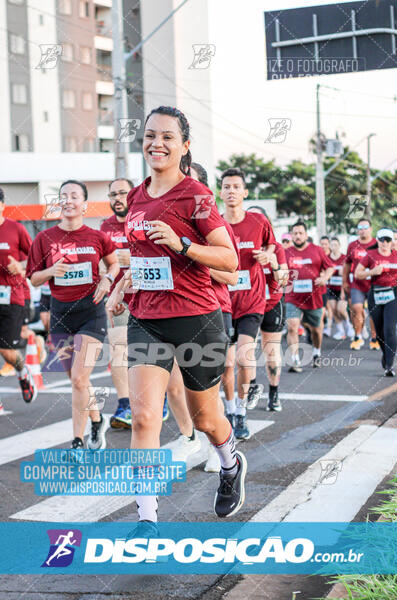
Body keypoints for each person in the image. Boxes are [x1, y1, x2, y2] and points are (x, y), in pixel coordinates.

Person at [106, 106, 246, 524]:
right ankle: (146, 521)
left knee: (205, 417)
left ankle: (229, 462)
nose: (157, 143)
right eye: (150, 135)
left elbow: (229, 260)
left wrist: (182, 243)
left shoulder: (196, 197)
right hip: (146, 317)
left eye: (168, 136)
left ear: (185, 145)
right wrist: (122, 284)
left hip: (197, 318)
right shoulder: (136, 196)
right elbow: (143, 256)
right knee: (145, 417)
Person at [27, 180, 119, 452]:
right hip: (60, 316)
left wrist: (108, 279)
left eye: (74, 196)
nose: (68, 200)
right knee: (77, 379)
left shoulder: (97, 237)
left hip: (91, 314)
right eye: (63, 196)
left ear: (84, 204)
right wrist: (50, 271)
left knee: (79, 379)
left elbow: (114, 262)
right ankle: (97, 417)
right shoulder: (44, 239)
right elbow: (33, 278)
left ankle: (77, 441)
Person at [221, 168, 276, 440]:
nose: (231, 191)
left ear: (245, 192)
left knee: (244, 356)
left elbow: (271, 247)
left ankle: (242, 411)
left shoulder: (258, 221)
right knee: (226, 364)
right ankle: (231, 408)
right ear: (221, 193)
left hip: (252, 301)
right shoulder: (215, 224)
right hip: (222, 302)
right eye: (226, 187)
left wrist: (267, 257)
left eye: (236, 187)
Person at [101, 177, 134, 429]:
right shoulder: (105, 226)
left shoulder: (142, 220)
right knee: (118, 350)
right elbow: (103, 263)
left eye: (122, 193)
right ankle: (125, 404)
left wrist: (131, 258)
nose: (117, 198)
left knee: (152, 354)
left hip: (149, 298)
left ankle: (161, 398)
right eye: (113, 194)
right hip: (119, 299)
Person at [0, 187, 37, 402]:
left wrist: (21, 266)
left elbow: (35, 259)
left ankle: (23, 373)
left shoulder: (16, 229)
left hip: (12, 298)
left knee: (7, 352)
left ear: (3, 205)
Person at [285, 221, 335, 371]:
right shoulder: (286, 252)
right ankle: (295, 360)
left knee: (316, 330)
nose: (298, 236)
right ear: (292, 235)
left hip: (314, 297)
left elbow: (330, 267)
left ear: (306, 235)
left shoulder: (317, 250)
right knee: (292, 326)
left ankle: (316, 352)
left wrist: (324, 278)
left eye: (301, 233)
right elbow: (280, 270)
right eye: (295, 233)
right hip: (293, 297)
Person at [355, 228, 397, 376]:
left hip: (393, 294)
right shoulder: (370, 255)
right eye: (382, 240)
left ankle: (389, 365)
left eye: (388, 240)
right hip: (376, 294)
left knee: (390, 328)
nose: (385, 243)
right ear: (378, 241)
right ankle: (386, 354)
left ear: (392, 241)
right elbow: (357, 273)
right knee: (379, 332)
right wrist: (371, 272)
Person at [259, 242, 288, 411]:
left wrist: (274, 263)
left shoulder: (276, 247)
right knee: (242, 350)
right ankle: (248, 391)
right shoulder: (238, 241)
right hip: (246, 304)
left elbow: (284, 280)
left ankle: (274, 393)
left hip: (272, 303)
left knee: (271, 350)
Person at [343, 219, 379, 350]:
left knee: (373, 311)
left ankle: (374, 338)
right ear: (358, 230)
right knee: (356, 309)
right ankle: (358, 336)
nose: (363, 230)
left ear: (370, 229)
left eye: (365, 227)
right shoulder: (352, 245)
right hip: (357, 284)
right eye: (360, 227)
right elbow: (346, 264)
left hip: (374, 284)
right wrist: (344, 281)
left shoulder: (377, 243)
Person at [326, 237, 353, 340]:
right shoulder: (327, 258)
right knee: (334, 310)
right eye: (332, 245)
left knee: (341, 309)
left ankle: (349, 325)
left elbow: (349, 272)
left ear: (339, 246)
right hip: (331, 288)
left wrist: (343, 290)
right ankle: (340, 330)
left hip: (342, 288)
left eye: (335, 245)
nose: (334, 247)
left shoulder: (344, 258)